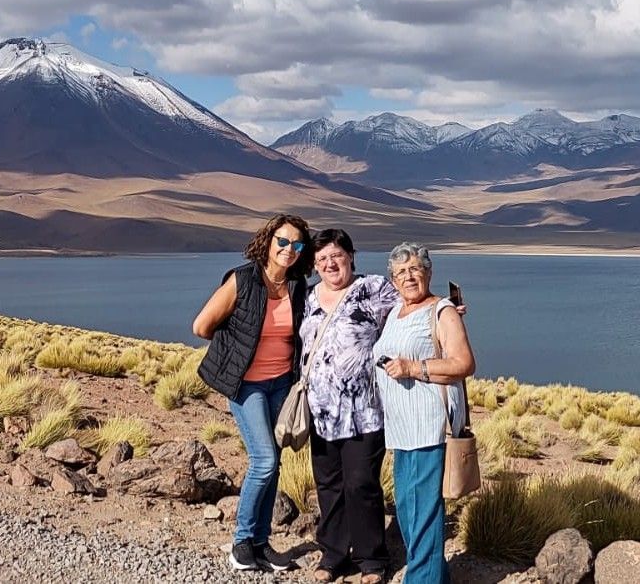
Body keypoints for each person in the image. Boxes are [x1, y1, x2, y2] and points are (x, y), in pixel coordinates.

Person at [193, 214, 315, 572]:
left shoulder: (297, 286)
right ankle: (241, 542)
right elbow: (201, 326)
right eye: (283, 241)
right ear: (268, 239)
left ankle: (261, 545)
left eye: (297, 245)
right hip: (246, 384)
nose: (289, 250)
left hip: (281, 384)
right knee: (263, 460)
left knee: (274, 463)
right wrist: (237, 343)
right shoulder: (242, 279)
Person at [374, 243, 475, 584]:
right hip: (402, 429)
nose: (409, 276)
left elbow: (464, 363)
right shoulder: (395, 312)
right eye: (401, 272)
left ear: (429, 272)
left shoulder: (442, 311)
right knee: (409, 512)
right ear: (392, 279)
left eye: (416, 269)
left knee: (422, 515)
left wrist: (413, 367)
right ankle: (436, 576)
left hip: (429, 426)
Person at [301, 228, 396, 584]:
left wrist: (445, 311)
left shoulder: (374, 289)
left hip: (363, 412)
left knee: (361, 484)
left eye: (336, 256)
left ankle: (372, 558)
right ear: (314, 264)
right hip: (321, 412)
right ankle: (334, 555)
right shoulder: (308, 298)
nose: (330, 263)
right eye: (322, 259)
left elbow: (412, 311)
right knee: (329, 485)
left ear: (351, 256)